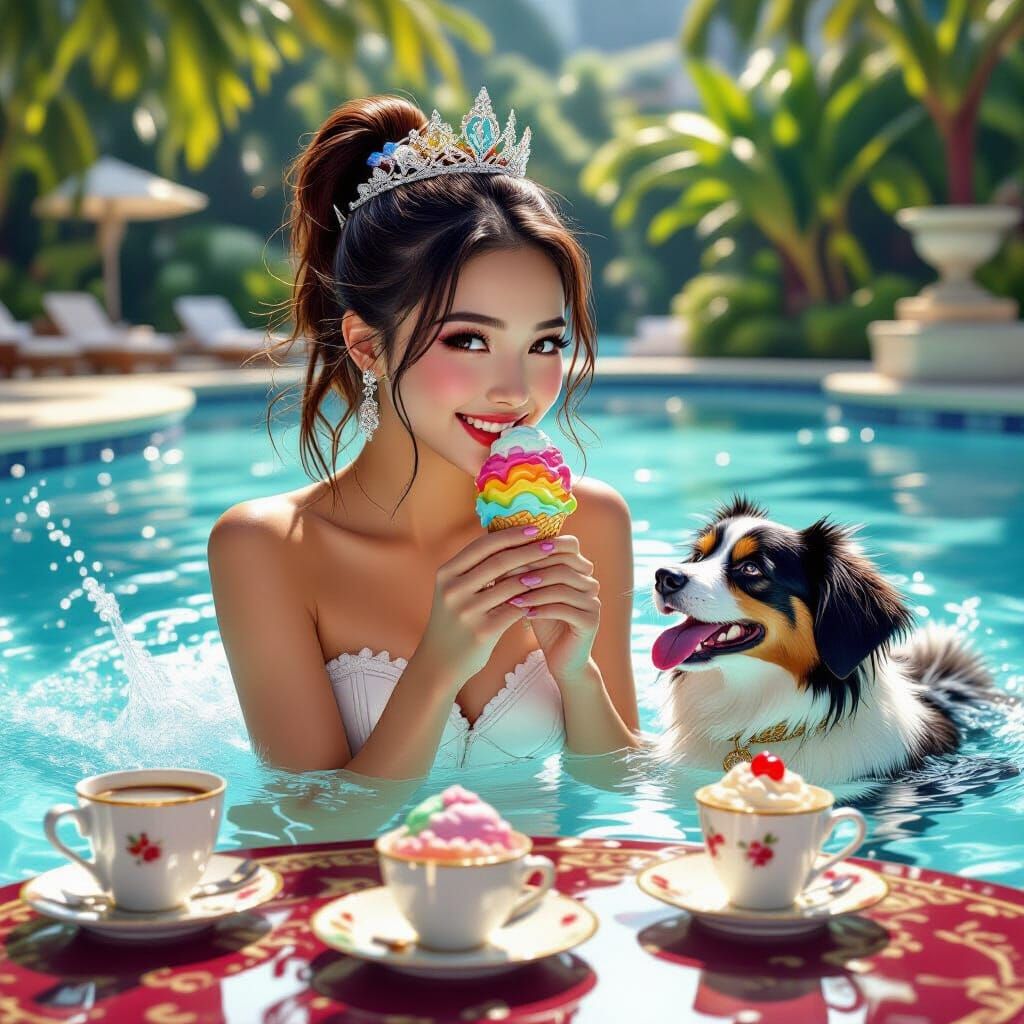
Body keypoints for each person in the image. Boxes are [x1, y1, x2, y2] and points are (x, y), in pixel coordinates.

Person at [208, 87, 640, 776]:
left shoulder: (590, 522)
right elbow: (304, 829)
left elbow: (623, 794)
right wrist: (436, 667)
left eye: (545, 343)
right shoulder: (267, 550)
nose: (516, 389)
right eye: (469, 340)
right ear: (367, 346)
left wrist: (578, 674)